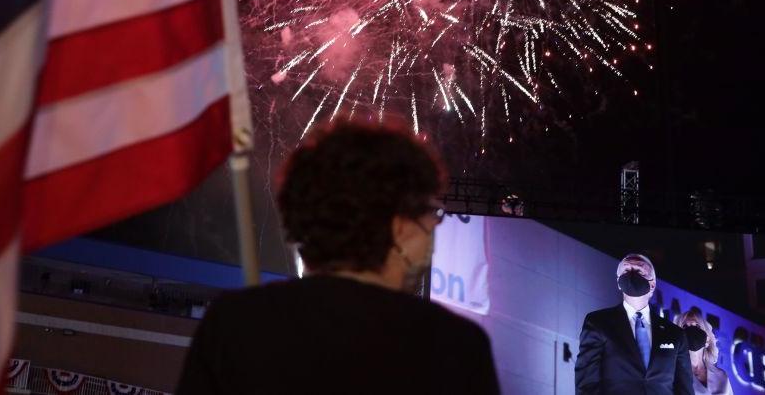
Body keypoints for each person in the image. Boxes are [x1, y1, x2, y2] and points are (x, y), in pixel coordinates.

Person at [176, 121, 500, 394]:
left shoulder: (234, 323)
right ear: (400, 227)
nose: (434, 228)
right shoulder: (453, 348)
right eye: (432, 213)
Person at [575, 253, 693, 394]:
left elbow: (684, 389)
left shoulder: (675, 334)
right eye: (626, 270)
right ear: (618, 281)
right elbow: (587, 385)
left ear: (652, 284)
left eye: (638, 270)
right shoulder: (598, 323)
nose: (631, 274)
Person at [673, 308, 733, 394]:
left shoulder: (721, 376)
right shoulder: (672, 375)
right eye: (685, 326)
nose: (691, 331)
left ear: (707, 339)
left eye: (697, 326)